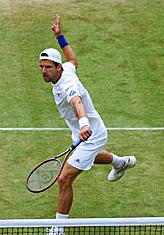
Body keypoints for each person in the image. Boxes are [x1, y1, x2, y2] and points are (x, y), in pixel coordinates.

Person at [40, 14, 136, 234]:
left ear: (58, 68)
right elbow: (73, 60)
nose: (44, 71)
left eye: (48, 67)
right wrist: (60, 37)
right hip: (82, 133)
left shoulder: (68, 84)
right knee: (92, 155)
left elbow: (77, 101)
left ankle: (59, 229)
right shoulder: (67, 68)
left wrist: (84, 124)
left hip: (90, 133)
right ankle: (120, 162)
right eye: (41, 67)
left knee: (64, 180)